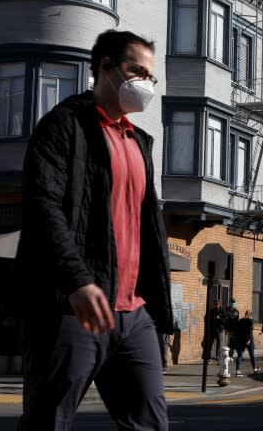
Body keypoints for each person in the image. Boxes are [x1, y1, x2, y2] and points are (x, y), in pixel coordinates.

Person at [14, 30, 173, 430]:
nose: (145, 84)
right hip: (72, 308)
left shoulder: (141, 143)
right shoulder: (65, 126)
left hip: (135, 315)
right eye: (136, 71)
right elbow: (42, 206)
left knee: (150, 424)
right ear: (105, 67)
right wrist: (77, 280)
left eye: (150, 77)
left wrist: (159, 312)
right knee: (48, 421)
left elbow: (148, 231)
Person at [233, 309, 260, 376]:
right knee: (252, 355)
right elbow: (250, 331)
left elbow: (237, 331)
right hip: (249, 341)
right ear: (250, 315)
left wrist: (237, 339)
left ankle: (238, 371)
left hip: (241, 340)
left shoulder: (240, 321)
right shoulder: (250, 321)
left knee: (240, 356)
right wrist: (248, 340)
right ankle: (254, 369)